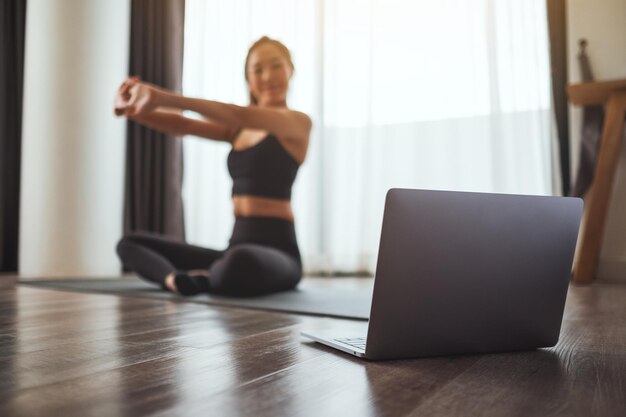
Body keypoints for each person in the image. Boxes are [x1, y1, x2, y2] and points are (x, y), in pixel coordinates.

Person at [114, 36, 311, 297]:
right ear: (248, 80)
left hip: (279, 252)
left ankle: (210, 277)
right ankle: (175, 279)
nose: (268, 76)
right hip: (235, 247)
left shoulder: (297, 122)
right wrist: (132, 109)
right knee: (130, 243)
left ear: (290, 69)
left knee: (237, 264)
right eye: (258, 70)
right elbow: (184, 125)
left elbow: (240, 113)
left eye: (276, 66)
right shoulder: (239, 129)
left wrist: (160, 97)